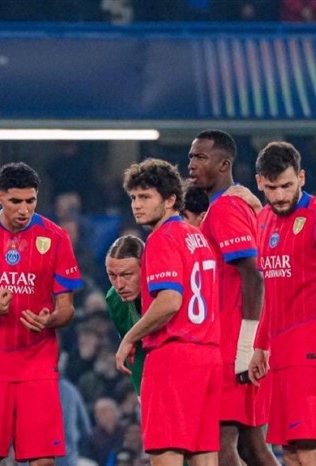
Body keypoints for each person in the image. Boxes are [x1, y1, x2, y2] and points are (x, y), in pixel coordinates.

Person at [0, 162, 82, 466]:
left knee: (43, 458)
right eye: (15, 201)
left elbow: (67, 308)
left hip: (37, 364)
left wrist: (50, 320)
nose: (24, 210)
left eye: (30, 201)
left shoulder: (56, 237)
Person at [249, 141, 316, 466]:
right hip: (279, 357)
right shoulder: (263, 220)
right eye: (272, 188)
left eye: (287, 185)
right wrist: (260, 345)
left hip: (314, 356)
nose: (280, 196)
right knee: (292, 454)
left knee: (313, 452)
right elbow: (271, 290)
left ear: (301, 177)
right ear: (259, 182)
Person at [117, 158, 222, 466]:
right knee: (205, 457)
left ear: (170, 200)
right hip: (208, 358)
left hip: (173, 358)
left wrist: (130, 337)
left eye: (145, 197)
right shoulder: (198, 237)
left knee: (166, 453)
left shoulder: (161, 238)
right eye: (134, 197)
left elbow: (170, 301)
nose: (137, 205)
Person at [187, 129, 277, 466]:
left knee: (222, 446)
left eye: (201, 157)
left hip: (232, 345)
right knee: (251, 447)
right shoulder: (229, 206)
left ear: (224, 164)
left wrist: (245, 346)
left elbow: (253, 274)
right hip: (234, 341)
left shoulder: (226, 208)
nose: (192, 164)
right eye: (191, 157)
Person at [104, 235, 146, 395]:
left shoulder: (165, 293)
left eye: (127, 275)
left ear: (146, 268)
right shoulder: (114, 299)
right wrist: (141, 393)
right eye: (112, 275)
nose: (119, 285)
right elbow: (134, 351)